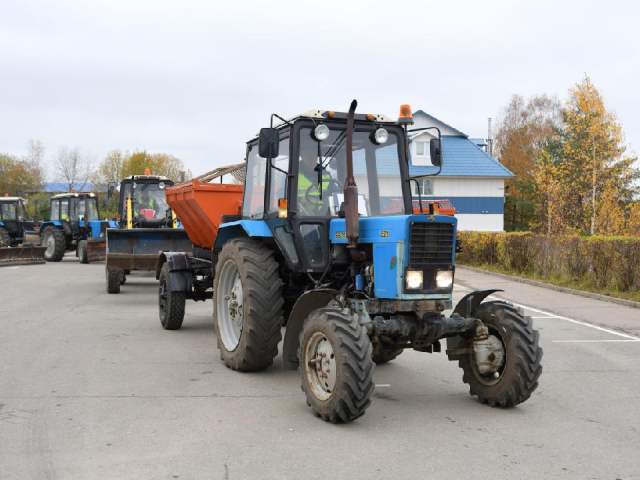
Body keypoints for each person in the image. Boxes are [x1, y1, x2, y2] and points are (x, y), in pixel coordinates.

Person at [297, 142, 332, 216]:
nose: (312, 158)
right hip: (301, 217)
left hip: (324, 216)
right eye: (309, 156)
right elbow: (282, 196)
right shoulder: (293, 174)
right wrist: (299, 200)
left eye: (314, 155)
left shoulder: (327, 176)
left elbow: (336, 193)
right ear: (302, 156)